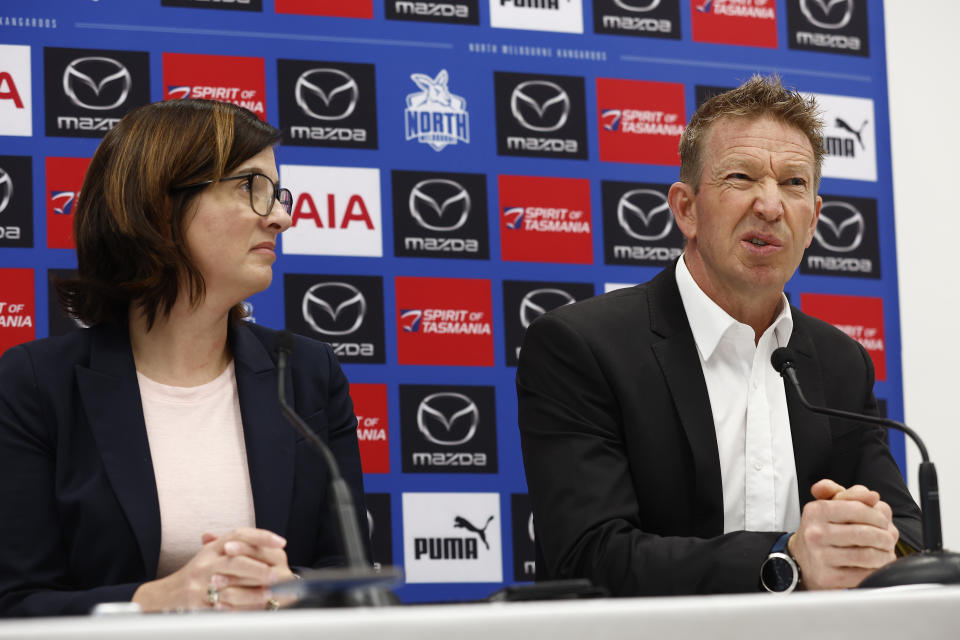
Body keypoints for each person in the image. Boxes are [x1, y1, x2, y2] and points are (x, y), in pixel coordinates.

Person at [516, 76, 921, 596]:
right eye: (741, 177)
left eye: (794, 184)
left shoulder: (840, 362)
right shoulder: (581, 347)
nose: (770, 206)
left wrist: (872, 539)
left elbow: (909, 536)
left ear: (815, 220)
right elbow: (591, 556)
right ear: (686, 208)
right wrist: (786, 559)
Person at [0, 99, 368, 617]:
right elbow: (15, 604)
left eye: (277, 192)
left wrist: (290, 592)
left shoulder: (306, 374)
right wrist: (157, 600)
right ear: (161, 203)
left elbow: (356, 583)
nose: (282, 217)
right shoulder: (35, 384)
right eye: (251, 188)